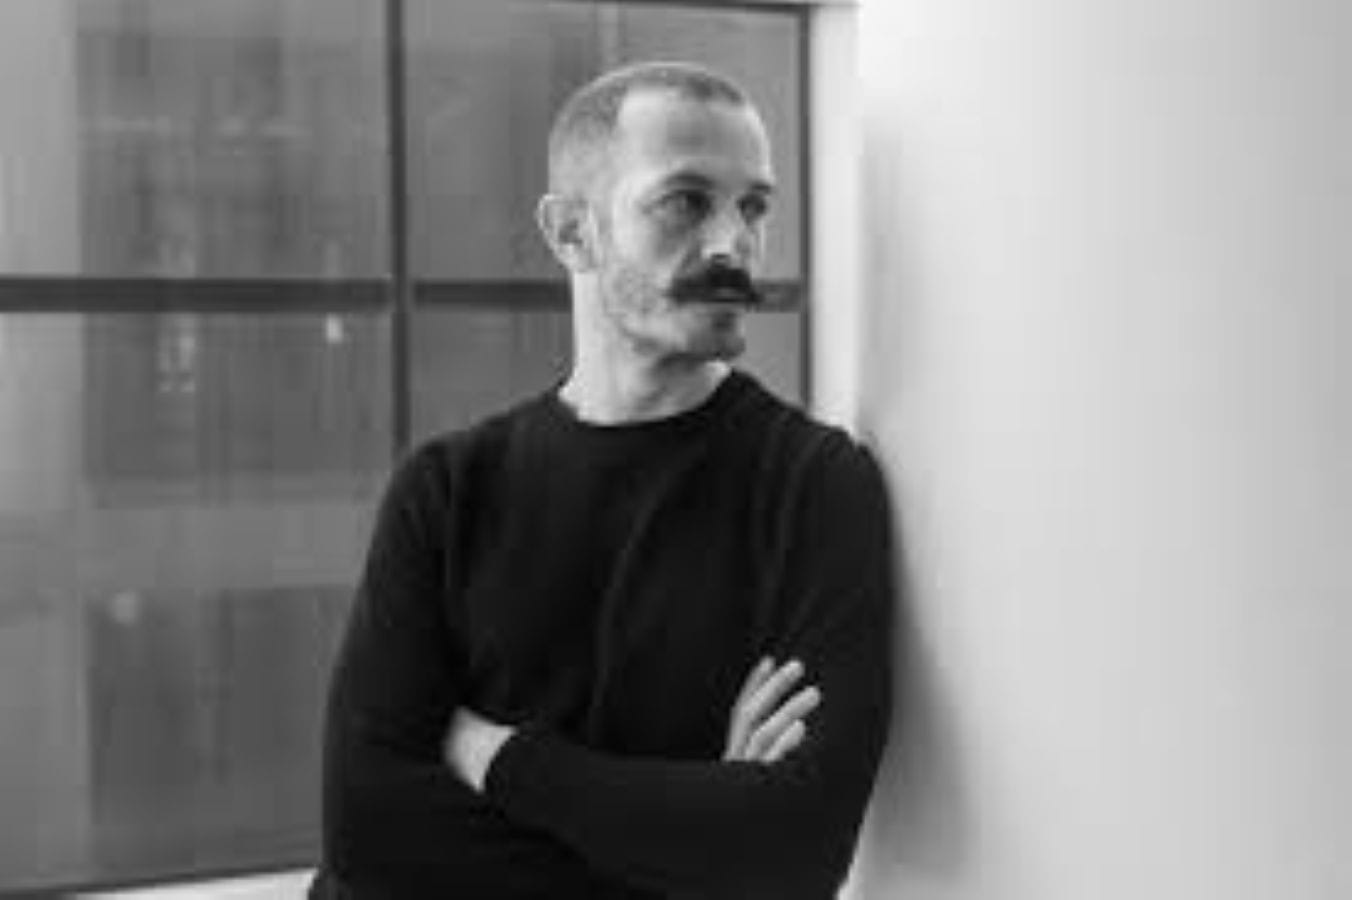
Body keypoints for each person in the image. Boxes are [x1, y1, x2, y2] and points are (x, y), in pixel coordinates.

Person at [311, 61, 893, 899]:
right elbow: (373, 838)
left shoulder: (816, 485)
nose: (733, 244)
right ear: (570, 233)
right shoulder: (447, 491)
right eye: (686, 201)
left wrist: (498, 757)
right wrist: (696, 836)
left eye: (753, 207)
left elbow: (793, 853)